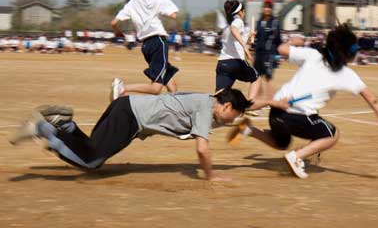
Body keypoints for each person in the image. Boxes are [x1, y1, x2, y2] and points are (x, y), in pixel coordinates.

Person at [228, 25, 378, 179]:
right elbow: (373, 99)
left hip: (276, 112)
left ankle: (248, 130)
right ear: (348, 54)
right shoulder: (346, 75)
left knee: (280, 142)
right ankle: (297, 156)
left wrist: (294, 42)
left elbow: (281, 49)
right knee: (332, 134)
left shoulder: (312, 55)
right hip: (296, 116)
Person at [9, 89, 253, 181]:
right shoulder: (205, 109)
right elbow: (202, 149)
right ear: (226, 107)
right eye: (235, 115)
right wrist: (211, 175)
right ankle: (44, 130)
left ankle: (66, 125)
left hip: (126, 108)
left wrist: (269, 102)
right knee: (91, 161)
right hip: (131, 117)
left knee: (92, 147)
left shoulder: (207, 100)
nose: (234, 121)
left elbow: (252, 105)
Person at [110, 0, 179, 99]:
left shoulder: (133, 2)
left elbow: (114, 22)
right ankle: (122, 88)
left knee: (168, 76)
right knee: (156, 88)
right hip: (158, 41)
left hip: (146, 46)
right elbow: (174, 14)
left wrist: (121, 34)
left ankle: (177, 106)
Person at [216, 0, 259, 100]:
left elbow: (234, 41)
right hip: (236, 62)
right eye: (243, 11)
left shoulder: (227, 25)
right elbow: (234, 29)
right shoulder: (238, 21)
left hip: (222, 63)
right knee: (256, 78)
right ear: (240, 12)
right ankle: (250, 106)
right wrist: (245, 48)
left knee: (220, 95)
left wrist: (248, 39)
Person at [253, 0, 282, 99]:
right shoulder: (259, 22)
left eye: (269, 7)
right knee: (256, 78)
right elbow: (256, 39)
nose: (267, 9)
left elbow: (278, 40)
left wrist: (278, 56)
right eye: (265, 7)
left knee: (268, 79)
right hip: (258, 54)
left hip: (269, 54)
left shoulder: (275, 23)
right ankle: (254, 102)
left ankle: (273, 103)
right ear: (262, 8)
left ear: (271, 9)